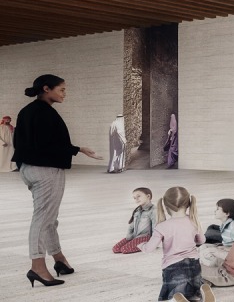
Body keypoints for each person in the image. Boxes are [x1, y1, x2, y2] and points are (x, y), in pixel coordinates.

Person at [14, 73, 100, 287]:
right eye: (61, 90)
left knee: (49, 218)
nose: (64, 94)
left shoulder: (28, 111)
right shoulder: (44, 113)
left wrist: (77, 149)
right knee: (43, 219)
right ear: (46, 89)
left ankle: (59, 260)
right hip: (45, 170)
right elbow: (46, 145)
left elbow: (30, 143)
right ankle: (37, 267)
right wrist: (77, 149)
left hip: (30, 168)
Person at [139, 185, 211, 302]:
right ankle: (203, 297)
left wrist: (141, 245)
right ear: (188, 204)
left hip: (173, 266)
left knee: (173, 295)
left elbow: (149, 248)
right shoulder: (193, 220)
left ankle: (175, 300)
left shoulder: (162, 226)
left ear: (166, 206)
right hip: (194, 263)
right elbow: (201, 240)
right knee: (193, 294)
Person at [112, 187, 156, 253]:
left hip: (146, 237)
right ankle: (135, 241)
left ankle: (145, 245)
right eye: (134, 198)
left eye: (139, 196)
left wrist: (153, 242)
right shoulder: (137, 210)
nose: (136, 199)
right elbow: (131, 225)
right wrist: (129, 236)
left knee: (124, 249)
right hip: (135, 236)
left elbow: (155, 227)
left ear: (148, 196)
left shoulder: (153, 211)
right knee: (116, 249)